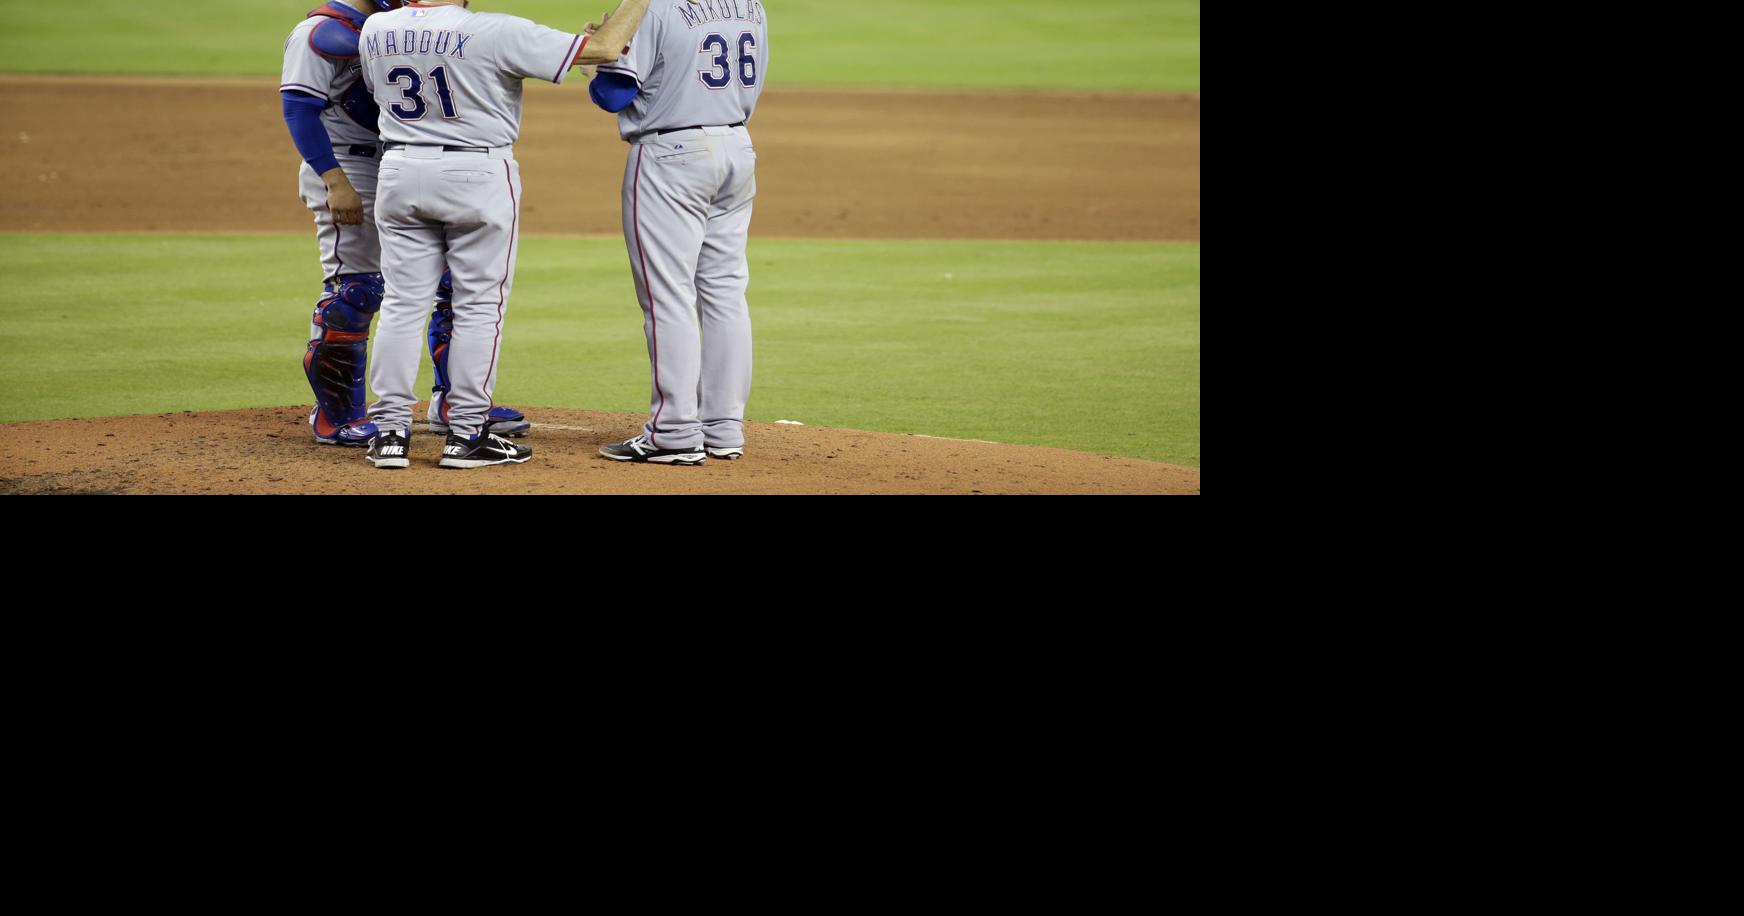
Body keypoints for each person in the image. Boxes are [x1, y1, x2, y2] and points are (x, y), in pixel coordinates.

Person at [359, 0, 650, 469]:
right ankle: (467, 434)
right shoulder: (496, 31)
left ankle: (390, 434)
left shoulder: (376, 28)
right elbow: (605, 47)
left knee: (401, 302)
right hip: (475, 171)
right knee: (478, 305)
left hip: (399, 168)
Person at [279, 0, 532, 450]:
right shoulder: (317, 33)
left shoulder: (392, 27)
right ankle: (339, 415)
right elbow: (299, 108)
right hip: (347, 170)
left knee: (454, 287)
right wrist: (334, 182)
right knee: (355, 292)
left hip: (401, 165)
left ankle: (456, 402)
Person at [589, 0, 769, 465]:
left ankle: (672, 431)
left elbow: (613, 94)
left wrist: (601, 58)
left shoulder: (651, 8)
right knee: (726, 291)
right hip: (737, 148)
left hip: (671, 154)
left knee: (667, 295)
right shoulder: (750, 6)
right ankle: (725, 427)